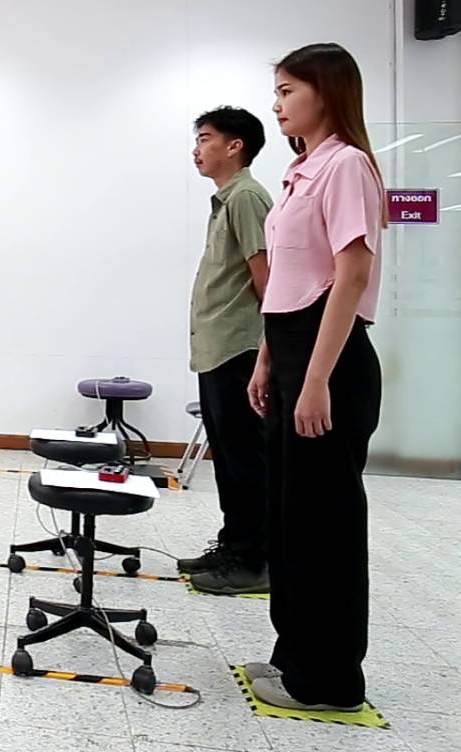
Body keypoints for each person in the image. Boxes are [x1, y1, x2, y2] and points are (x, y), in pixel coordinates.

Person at [245, 43, 386, 713]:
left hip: (330, 361)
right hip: (293, 350)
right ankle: (295, 655)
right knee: (291, 519)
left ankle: (330, 679)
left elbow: (350, 274)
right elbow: (290, 280)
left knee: (326, 526)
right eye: (277, 91)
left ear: (326, 93)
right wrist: (268, 359)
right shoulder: (302, 170)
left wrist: (315, 379)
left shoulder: (347, 165)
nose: (277, 104)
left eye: (287, 91)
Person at [178, 106, 273, 596]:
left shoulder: (247, 198)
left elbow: (268, 281)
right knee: (229, 460)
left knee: (247, 462)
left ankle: (256, 561)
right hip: (218, 349)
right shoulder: (227, 199)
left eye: (205, 138)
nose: (197, 149)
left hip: (239, 349)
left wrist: (268, 354)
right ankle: (234, 546)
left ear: (235, 146)